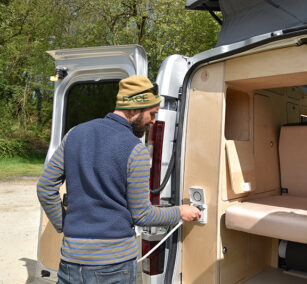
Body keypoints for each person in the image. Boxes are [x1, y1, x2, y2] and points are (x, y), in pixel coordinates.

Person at [37, 75, 201, 284]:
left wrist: (66, 225)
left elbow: (44, 187)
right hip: (113, 266)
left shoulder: (74, 134)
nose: (153, 120)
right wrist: (180, 211)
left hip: (71, 260)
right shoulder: (135, 150)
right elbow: (142, 215)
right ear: (133, 110)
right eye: (151, 113)